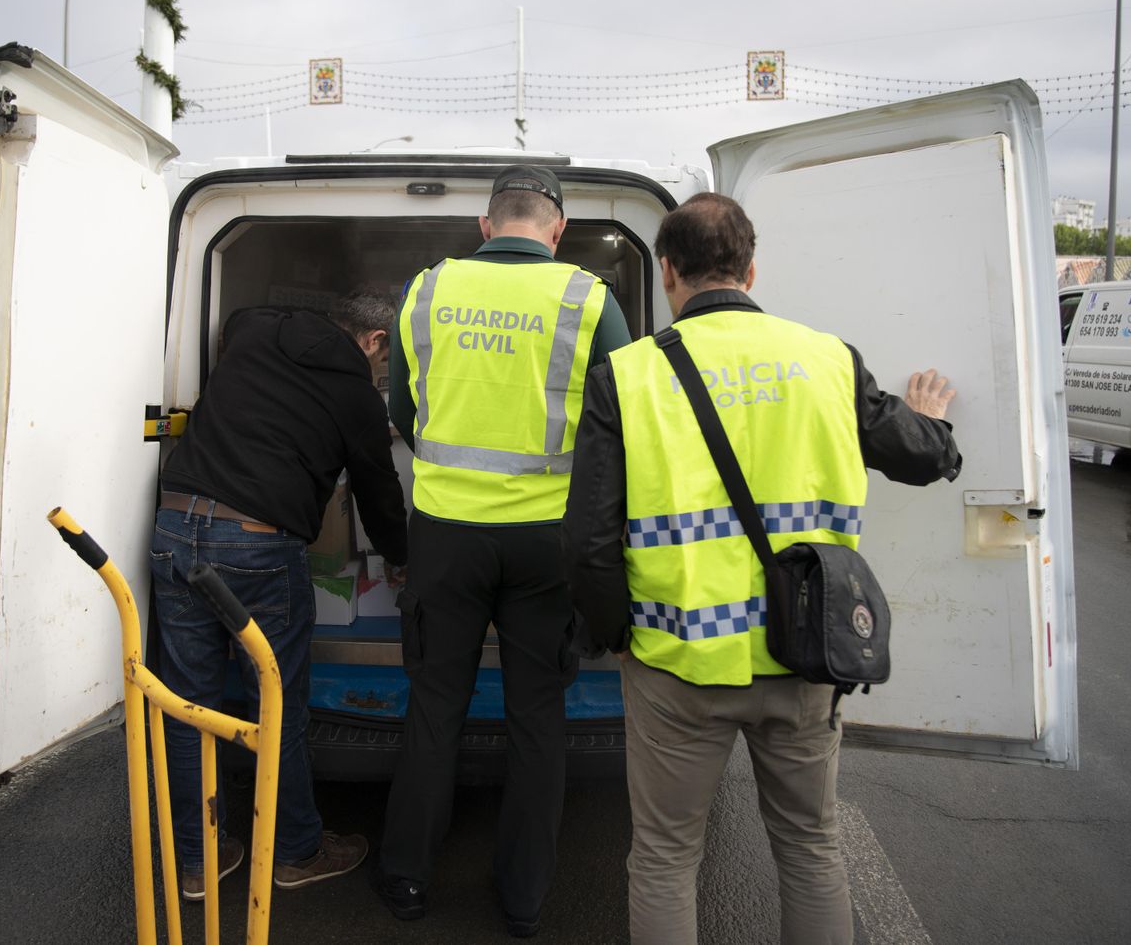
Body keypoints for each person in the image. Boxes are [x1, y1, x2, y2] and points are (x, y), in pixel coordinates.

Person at [562, 193, 962, 945]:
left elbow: (587, 541)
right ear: (751, 269)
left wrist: (615, 635)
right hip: (805, 656)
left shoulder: (630, 375)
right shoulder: (830, 361)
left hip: (677, 663)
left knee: (664, 858)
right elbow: (921, 455)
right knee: (811, 850)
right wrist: (935, 422)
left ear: (669, 271)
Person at [377, 165, 632, 937]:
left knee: (434, 707)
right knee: (536, 716)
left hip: (446, 535)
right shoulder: (589, 299)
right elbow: (620, 421)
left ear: (487, 226)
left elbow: (400, 409)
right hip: (545, 543)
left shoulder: (425, 291)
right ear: (558, 231)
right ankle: (522, 897)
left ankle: (408, 880)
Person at [151, 291, 409, 900]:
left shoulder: (260, 326)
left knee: (189, 705)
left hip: (174, 524)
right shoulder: (356, 398)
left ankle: (197, 861)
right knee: (278, 705)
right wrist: (402, 559)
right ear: (373, 342)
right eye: (385, 358)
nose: (381, 373)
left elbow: (238, 316)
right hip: (258, 548)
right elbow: (379, 493)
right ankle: (297, 850)